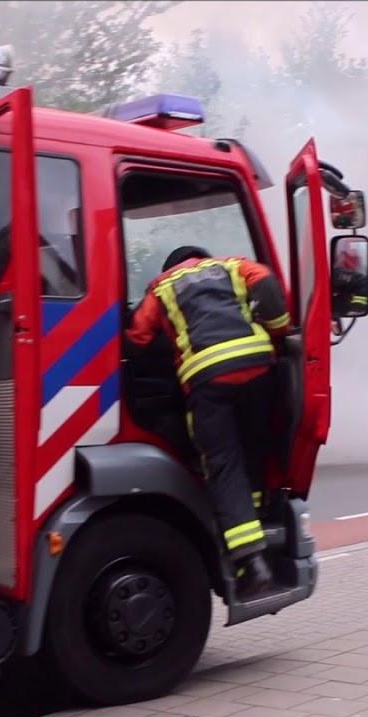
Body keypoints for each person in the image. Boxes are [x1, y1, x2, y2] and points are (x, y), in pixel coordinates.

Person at [124, 246, 292, 599]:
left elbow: (137, 337)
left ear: (173, 266)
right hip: (258, 366)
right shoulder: (233, 266)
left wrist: (164, 354)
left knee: (223, 463)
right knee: (254, 446)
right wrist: (278, 328)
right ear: (204, 258)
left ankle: (251, 562)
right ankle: (258, 512)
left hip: (208, 380)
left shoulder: (162, 285)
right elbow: (266, 282)